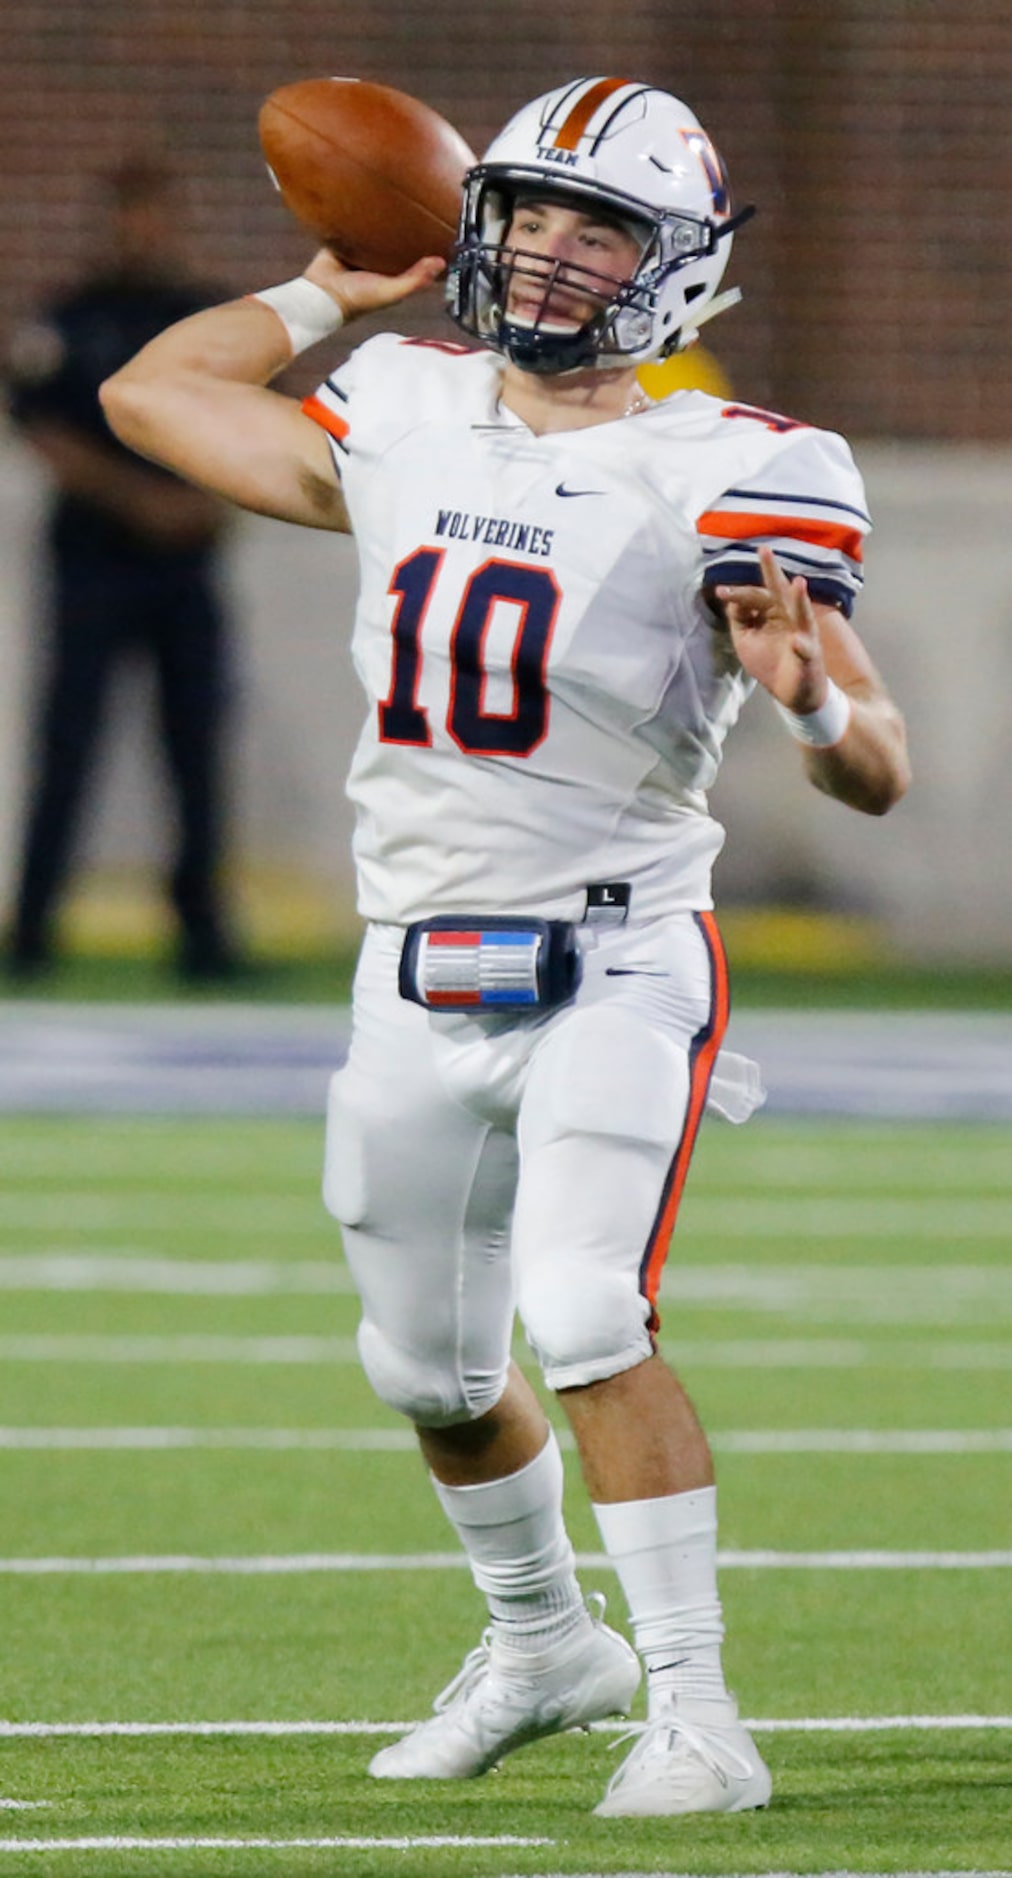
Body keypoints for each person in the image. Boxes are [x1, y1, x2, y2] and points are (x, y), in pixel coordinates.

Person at [100, 77, 909, 1817]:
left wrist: (816, 701)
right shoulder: (398, 404)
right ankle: (543, 1640)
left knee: (582, 1309)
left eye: (595, 225)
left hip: (617, 957)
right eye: (527, 212)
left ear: (673, 265)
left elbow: (874, 766)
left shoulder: (739, 465)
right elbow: (148, 394)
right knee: (431, 1374)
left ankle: (696, 1707)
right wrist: (333, 283)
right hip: (412, 956)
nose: (547, 253)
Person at [5, 157, 241, 981]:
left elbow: (253, 421)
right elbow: (44, 430)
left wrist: (207, 499)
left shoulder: (203, 319)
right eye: (130, 216)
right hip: (92, 566)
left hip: (186, 570)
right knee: (67, 744)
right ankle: (33, 930)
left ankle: (204, 935)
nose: (144, 231)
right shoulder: (72, 319)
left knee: (197, 749)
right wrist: (141, 500)